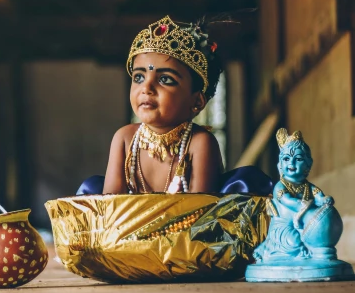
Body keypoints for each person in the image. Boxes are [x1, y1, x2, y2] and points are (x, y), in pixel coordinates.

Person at [76, 15, 272, 196]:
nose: (147, 88)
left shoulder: (199, 143)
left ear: (196, 101)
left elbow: (200, 213)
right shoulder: (125, 138)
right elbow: (111, 209)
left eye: (165, 79)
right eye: (139, 77)